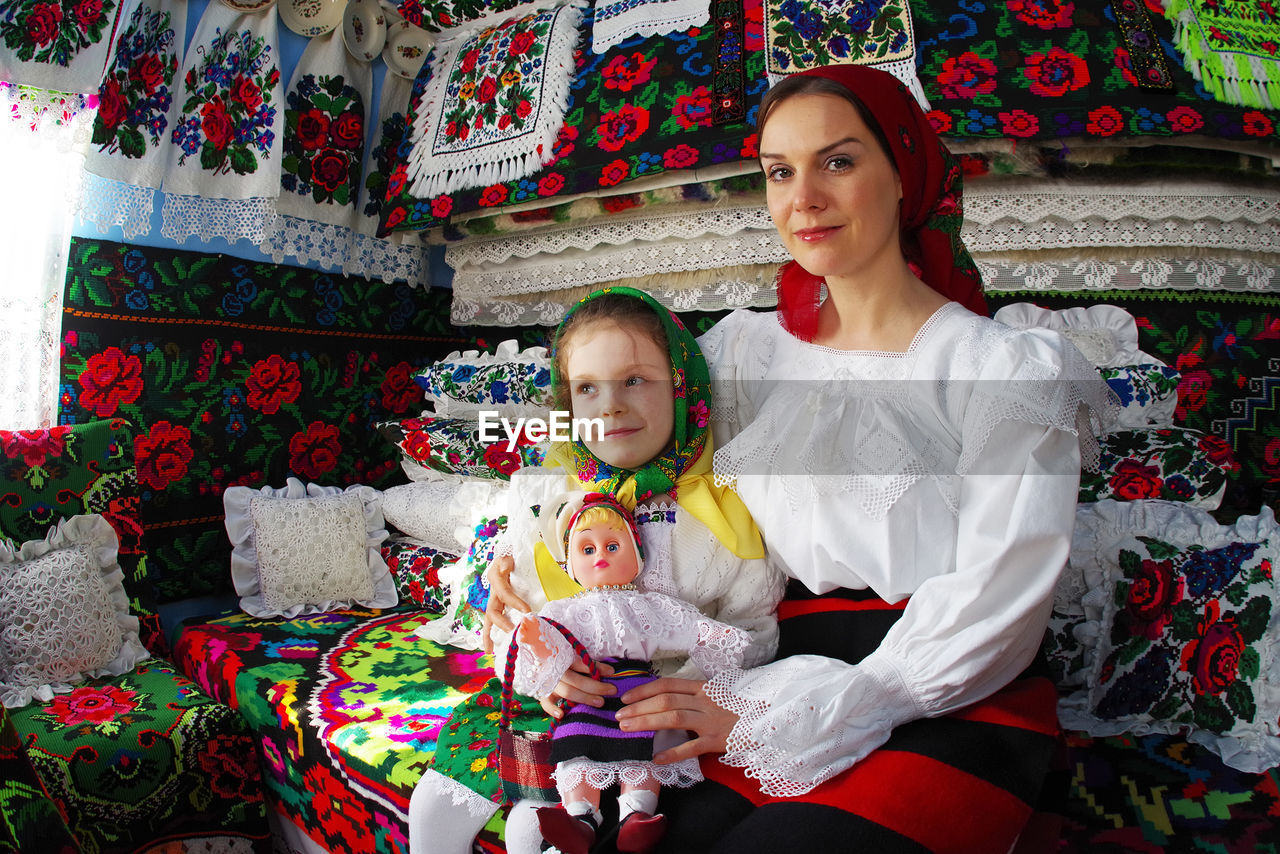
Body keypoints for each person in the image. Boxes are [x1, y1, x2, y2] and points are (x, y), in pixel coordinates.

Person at [601, 65, 1117, 853]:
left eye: (837, 162)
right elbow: (613, 447)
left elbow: (1002, 596)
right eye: (780, 172)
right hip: (775, 666)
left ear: (904, 173)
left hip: (950, 690)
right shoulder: (743, 352)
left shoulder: (1003, 369)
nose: (802, 198)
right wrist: (532, 568)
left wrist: (845, 704)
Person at [408, 287, 784, 854]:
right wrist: (544, 669)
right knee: (433, 806)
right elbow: (513, 620)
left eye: (635, 380)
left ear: (683, 389)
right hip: (556, 699)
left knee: (533, 833)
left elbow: (752, 629)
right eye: (587, 388)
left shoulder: (723, 511)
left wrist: (697, 685)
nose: (609, 406)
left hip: (656, 710)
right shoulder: (547, 497)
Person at [511, 492, 749, 854]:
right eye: (587, 550)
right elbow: (553, 652)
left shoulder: (649, 605)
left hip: (641, 687)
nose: (601, 556)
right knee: (578, 748)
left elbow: (686, 626)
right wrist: (537, 640)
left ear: (637, 556)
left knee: (646, 745)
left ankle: (636, 816)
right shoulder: (567, 611)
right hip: (591, 692)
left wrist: (716, 638)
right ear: (571, 566)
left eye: (612, 545)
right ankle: (580, 817)